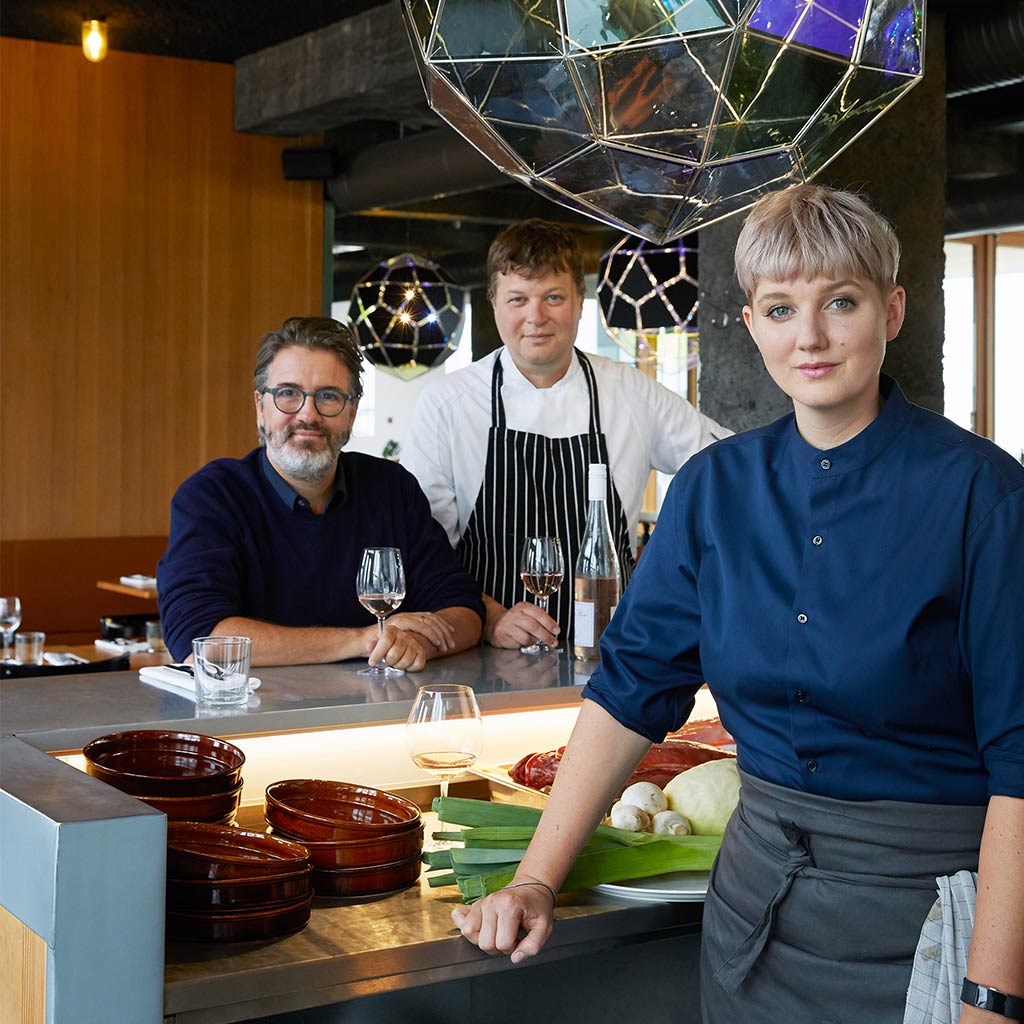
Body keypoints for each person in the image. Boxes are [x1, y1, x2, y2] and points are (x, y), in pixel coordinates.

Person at [450, 187, 1024, 1023]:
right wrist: (536, 877)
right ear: (751, 324)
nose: (812, 337)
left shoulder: (984, 495)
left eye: (842, 302)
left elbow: (1020, 761)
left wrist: (991, 997)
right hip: (753, 920)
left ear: (891, 311)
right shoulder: (713, 488)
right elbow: (629, 691)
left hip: (928, 920)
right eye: (782, 308)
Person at [403, 218, 730, 650]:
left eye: (553, 297)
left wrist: (661, 567)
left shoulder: (629, 392)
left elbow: (727, 467)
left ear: (580, 301)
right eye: (518, 299)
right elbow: (425, 548)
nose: (535, 317)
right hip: (485, 653)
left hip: (615, 651)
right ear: (494, 303)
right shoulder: (447, 404)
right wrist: (490, 617)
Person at [158, 317, 484, 668]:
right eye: (288, 394)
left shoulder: (393, 489)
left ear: (352, 411)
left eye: (328, 397)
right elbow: (200, 638)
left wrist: (416, 642)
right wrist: (363, 639)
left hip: (380, 715)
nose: (307, 415)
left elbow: (464, 609)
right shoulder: (213, 496)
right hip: (251, 717)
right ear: (260, 407)